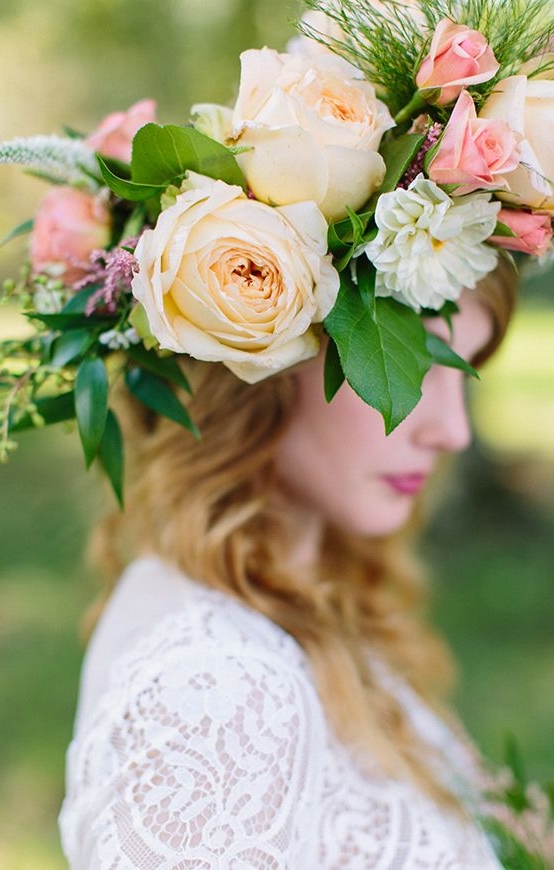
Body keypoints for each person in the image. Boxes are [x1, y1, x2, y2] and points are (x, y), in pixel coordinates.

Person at [58, 261, 521, 867]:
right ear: (266, 358)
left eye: (465, 370)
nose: (453, 431)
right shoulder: (218, 685)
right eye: (414, 359)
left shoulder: (298, 604)